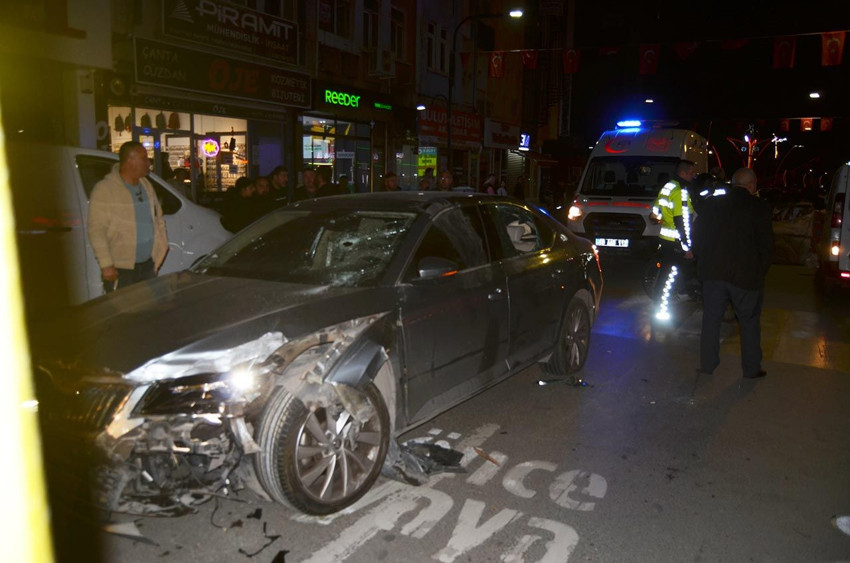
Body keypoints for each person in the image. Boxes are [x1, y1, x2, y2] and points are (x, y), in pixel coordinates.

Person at [693, 167, 773, 379]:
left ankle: (707, 366)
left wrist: (702, 260)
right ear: (752, 186)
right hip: (746, 276)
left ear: (732, 183)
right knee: (748, 321)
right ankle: (751, 368)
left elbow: (698, 235)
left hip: (712, 273)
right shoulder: (760, 208)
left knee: (711, 320)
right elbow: (766, 245)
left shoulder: (712, 204)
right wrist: (760, 270)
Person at [87, 141, 168, 293]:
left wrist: (160, 251)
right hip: (121, 269)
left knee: (148, 313)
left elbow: (158, 219)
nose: (148, 162)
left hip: (147, 265)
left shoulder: (146, 186)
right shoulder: (105, 189)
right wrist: (106, 265)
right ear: (131, 160)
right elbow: (96, 230)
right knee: (125, 314)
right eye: (144, 158)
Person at [651, 159, 697, 320]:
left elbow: (654, 212)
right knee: (670, 276)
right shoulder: (680, 191)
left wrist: (662, 218)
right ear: (683, 173)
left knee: (667, 274)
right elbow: (681, 222)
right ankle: (661, 311)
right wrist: (686, 247)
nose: (694, 176)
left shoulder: (667, 187)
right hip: (676, 241)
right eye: (691, 173)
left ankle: (663, 304)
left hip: (665, 239)